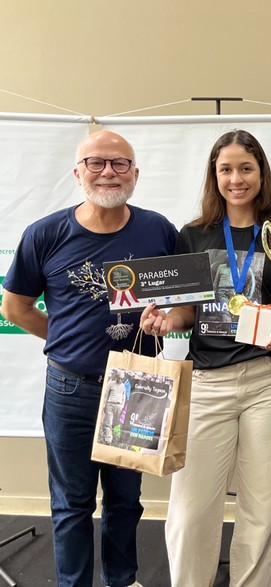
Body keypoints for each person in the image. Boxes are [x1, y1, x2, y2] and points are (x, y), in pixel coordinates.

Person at [1, 130, 178, 587]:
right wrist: (62, 337)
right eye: (96, 163)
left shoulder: (159, 230)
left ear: (135, 174)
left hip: (138, 386)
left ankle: (122, 580)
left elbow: (187, 304)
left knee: (125, 501)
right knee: (72, 503)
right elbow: (15, 307)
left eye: (119, 164)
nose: (108, 172)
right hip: (70, 388)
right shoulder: (44, 234)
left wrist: (171, 320)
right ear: (77, 172)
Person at [140, 130, 271, 586]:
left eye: (246, 168)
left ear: (262, 173)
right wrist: (165, 322)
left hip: (270, 381)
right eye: (226, 169)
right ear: (214, 175)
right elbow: (187, 311)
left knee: (261, 511)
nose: (236, 178)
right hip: (208, 382)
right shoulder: (192, 235)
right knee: (190, 512)